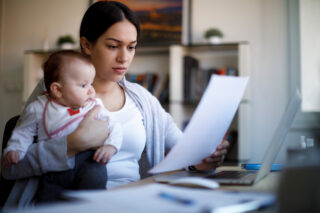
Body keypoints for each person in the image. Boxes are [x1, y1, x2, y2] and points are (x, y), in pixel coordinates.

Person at [1, 1, 229, 208]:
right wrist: (70, 145)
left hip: (134, 203)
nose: (124, 58)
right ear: (87, 45)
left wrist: (202, 160)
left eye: (131, 47)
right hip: (68, 204)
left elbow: (185, 151)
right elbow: (10, 169)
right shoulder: (54, 91)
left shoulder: (143, 99)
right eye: (113, 46)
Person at [2, 50, 123, 203]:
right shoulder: (39, 108)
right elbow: (24, 131)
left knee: (94, 188)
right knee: (48, 199)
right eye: (84, 85)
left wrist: (111, 146)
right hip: (53, 168)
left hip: (88, 161)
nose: (91, 90)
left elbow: (114, 125)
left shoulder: (93, 106)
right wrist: (16, 149)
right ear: (57, 90)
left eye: (91, 83)